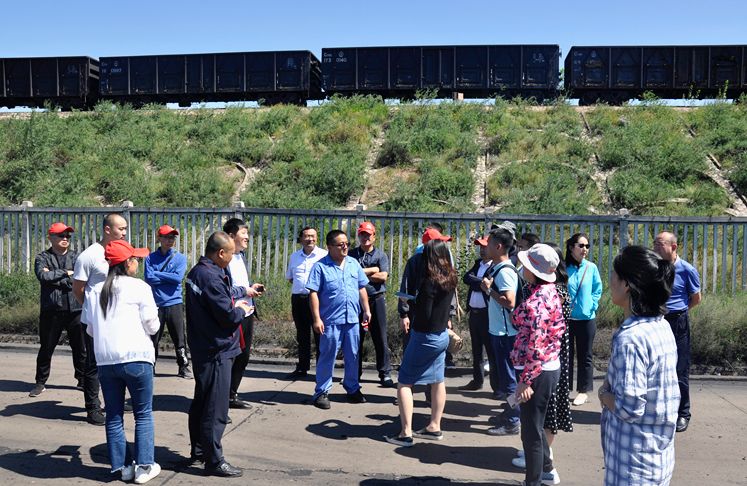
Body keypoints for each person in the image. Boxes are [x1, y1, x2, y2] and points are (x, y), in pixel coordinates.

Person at [599, 245, 679, 486]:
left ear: (626, 284)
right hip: (657, 456)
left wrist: (604, 395)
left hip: (632, 467)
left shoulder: (630, 338)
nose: (610, 280)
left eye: (614, 274)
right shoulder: (661, 325)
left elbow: (629, 408)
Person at [87, 239, 161, 483]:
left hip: (106, 361)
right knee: (143, 414)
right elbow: (152, 325)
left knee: (114, 416)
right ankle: (144, 467)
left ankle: (122, 467)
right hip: (136, 358)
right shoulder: (139, 287)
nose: (138, 263)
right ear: (127, 262)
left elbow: (89, 329)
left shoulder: (95, 290)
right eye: (136, 259)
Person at [186, 231, 253, 477]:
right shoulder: (211, 277)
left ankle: (199, 450)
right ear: (220, 253)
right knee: (216, 408)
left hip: (205, 347)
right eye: (231, 254)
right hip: (217, 350)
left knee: (203, 402)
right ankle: (214, 460)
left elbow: (221, 295)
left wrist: (243, 291)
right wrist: (242, 309)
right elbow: (226, 315)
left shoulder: (202, 272)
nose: (232, 258)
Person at [385, 239, 457, 447]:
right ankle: (434, 425)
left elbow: (424, 313)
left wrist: (411, 303)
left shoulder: (428, 282)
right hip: (442, 334)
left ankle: (405, 432)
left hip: (424, 335)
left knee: (405, 382)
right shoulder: (450, 278)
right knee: (437, 380)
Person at [511, 243, 573, 474]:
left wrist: (526, 380)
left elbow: (536, 346)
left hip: (537, 370)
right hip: (546, 368)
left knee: (531, 432)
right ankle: (547, 470)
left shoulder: (538, 301)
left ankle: (535, 479)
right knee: (535, 428)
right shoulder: (551, 292)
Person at [73, 213, 129, 426]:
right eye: (120, 229)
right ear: (107, 230)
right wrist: (91, 307)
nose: (124, 233)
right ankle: (93, 407)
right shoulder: (89, 256)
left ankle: (114, 401)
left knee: (117, 361)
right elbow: (78, 289)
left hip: (118, 318)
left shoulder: (123, 252)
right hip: (95, 320)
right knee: (94, 364)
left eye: (125, 229)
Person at [307, 229, 371, 410]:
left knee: (353, 355)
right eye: (340, 244)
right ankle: (321, 392)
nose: (345, 247)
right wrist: (317, 318)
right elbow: (313, 293)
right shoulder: (320, 267)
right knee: (328, 356)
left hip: (352, 319)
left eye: (347, 244)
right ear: (329, 247)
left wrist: (366, 310)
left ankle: (352, 388)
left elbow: (361, 288)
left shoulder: (353, 264)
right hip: (330, 320)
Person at [29, 222, 86, 398]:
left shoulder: (77, 257)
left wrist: (59, 276)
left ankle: (83, 380)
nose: (65, 239)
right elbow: (43, 276)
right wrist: (66, 273)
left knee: (80, 348)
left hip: (75, 308)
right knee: (46, 347)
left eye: (68, 236)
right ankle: (40, 382)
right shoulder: (42, 257)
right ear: (51, 237)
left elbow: (79, 279)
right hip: (52, 309)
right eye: (61, 235)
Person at [653, 231, 701, 433]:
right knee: (657, 368)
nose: (655, 247)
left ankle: (683, 413)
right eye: (654, 243)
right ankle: (659, 411)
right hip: (657, 319)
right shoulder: (655, 268)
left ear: (673, 246)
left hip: (677, 321)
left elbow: (696, 298)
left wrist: (678, 312)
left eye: (660, 243)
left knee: (679, 368)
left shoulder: (687, 269)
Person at [482, 226, 521, 436]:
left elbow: (510, 302)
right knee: (507, 378)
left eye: (489, 243)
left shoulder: (505, 272)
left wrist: (489, 290)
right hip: (499, 332)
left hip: (505, 335)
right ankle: (510, 413)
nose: (486, 246)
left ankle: (513, 420)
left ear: (498, 246)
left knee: (509, 380)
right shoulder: (500, 268)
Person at [223, 218, 264, 410]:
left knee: (243, 356)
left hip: (247, 312)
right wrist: (244, 291)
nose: (247, 237)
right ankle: (221, 401)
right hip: (233, 314)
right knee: (229, 357)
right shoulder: (223, 260)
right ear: (231, 236)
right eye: (243, 233)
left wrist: (251, 288)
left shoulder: (241, 256)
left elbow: (239, 284)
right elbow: (224, 290)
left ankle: (232, 395)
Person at [349, 221, 394, 387]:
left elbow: (383, 277)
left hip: (376, 299)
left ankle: (385, 374)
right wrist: (371, 270)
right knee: (355, 338)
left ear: (374, 236)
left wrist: (361, 273)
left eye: (368, 234)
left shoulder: (381, 255)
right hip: (356, 301)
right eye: (362, 234)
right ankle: (354, 373)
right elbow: (350, 273)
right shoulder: (352, 254)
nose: (365, 237)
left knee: (380, 338)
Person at [143, 225, 191, 379]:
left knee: (179, 338)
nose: (170, 240)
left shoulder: (180, 258)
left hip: (174, 302)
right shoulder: (150, 257)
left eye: (172, 237)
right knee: (153, 338)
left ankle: (183, 367)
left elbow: (178, 278)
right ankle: (151, 366)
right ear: (159, 238)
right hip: (156, 303)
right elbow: (149, 279)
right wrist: (167, 276)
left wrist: (158, 273)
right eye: (166, 237)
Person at [565, 233, 602, 406]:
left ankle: (583, 390)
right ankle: (564, 388)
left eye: (587, 246)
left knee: (585, 355)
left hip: (587, 319)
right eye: (581, 246)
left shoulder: (591, 267)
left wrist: (592, 306)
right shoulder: (563, 267)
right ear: (571, 247)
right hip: (567, 319)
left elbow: (597, 289)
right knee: (565, 354)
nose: (584, 249)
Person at [285, 226, 327, 378]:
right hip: (298, 299)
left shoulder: (324, 255)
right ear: (301, 239)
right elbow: (290, 278)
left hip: (317, 299)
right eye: (307, 236)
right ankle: (302, 367)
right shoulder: (294, 257)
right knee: (302, 334)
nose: (310, 239)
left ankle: (321, 369)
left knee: (320, 334)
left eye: (313, 236)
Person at [459, 236, 497, 393]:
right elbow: (466, 278)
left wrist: (482, 283)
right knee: (476, 350)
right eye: (480, 247)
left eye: (485, 247)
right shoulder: (478, 264)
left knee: (491, 350)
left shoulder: (495, 267)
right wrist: (480, 283)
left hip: (487, 315)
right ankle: (477, 380)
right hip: (474, 314)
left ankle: (497, 387)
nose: (482, 250)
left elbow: (488, 284)